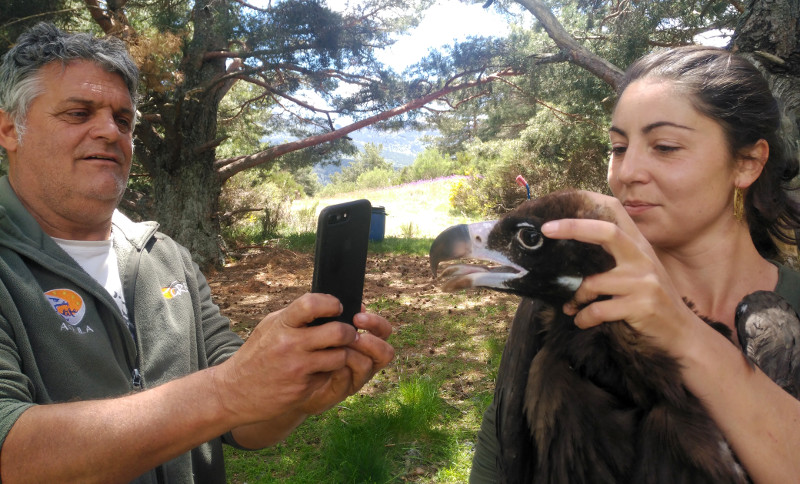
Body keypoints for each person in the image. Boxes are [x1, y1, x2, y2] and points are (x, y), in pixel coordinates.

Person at [0, 22, 394, 483]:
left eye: (123, 119)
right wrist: (229, 390)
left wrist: (294, 394)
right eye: (78, 113)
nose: (110, 131)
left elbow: (241, 426)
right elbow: (12, 455)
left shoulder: (165, 255)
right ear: (10, 129)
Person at [469, 45, 800, 483]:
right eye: (619, 147)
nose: (627, 172)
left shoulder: (787, 309)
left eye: (664, 146)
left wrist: (682, 332)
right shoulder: (575, 298)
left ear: (747, 163)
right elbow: (502, 461)